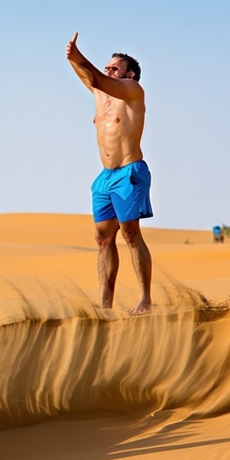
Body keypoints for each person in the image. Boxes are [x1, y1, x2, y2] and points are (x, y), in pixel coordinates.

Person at [65, 32, 153, 315]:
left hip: (130, 172)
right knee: (102, 238)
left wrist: (78, 56)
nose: (108, 71)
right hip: (105, 176)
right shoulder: (101, 95)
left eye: (114, 68)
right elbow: (89, 77)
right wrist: (71, 59)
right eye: (107, 68)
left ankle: (144, 299)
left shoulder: (132, 91)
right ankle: (105, 303)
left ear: (130, 74)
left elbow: (94, 77)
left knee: (130, 233)